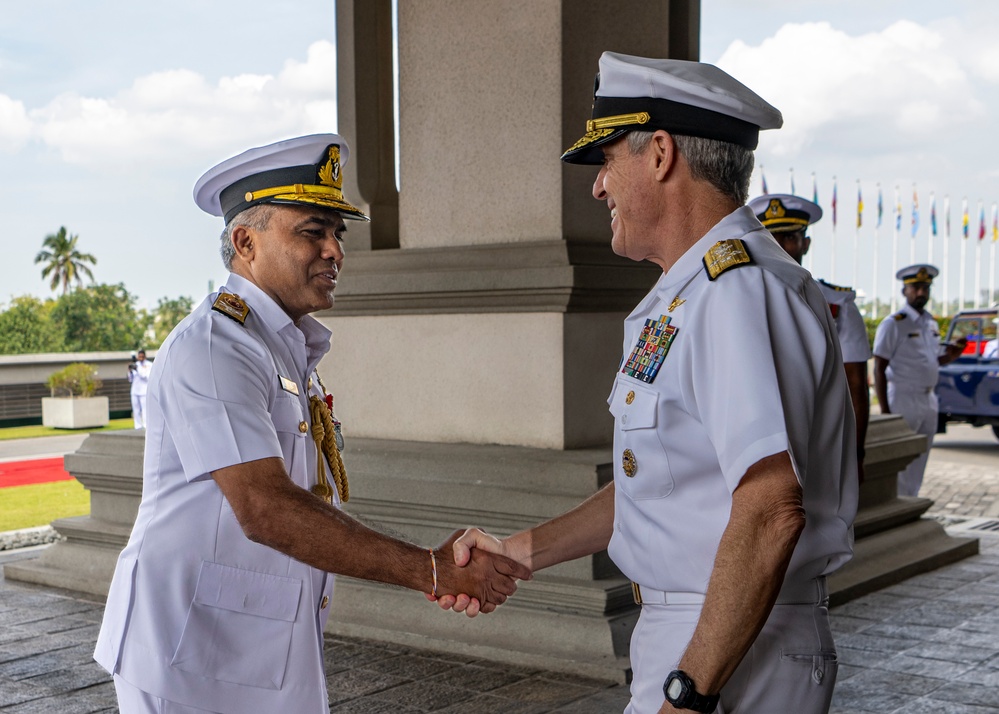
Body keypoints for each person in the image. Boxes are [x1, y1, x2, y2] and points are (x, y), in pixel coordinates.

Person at [435, 53, 858, 713]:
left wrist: (688, 696)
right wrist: (517, 552)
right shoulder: (685, 298)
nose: (597, 187)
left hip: (731, 648)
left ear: (659, 153)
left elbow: (771, 507)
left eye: (605, 161)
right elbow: (659, 480)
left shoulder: (735, 293)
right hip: (704, 633)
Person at [93, 134, 531, 714]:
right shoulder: (217, 346)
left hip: (252, 645)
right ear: (245, 242)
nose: (334, 252)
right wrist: (432, 570)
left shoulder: (281, 346)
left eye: (337, 234)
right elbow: (266, 507)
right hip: (190, 654)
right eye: (312, 232)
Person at [749, 194, 872, 481]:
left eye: (790, 237)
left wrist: (857, 453)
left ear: (806, 243)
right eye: (770, 236)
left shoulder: (837, 305)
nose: (779, 246)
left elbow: (855, 383)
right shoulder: (735, 296)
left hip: (818, 444)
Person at [872, 265, 965, 497]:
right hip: (903, 398)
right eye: (915, 288)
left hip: (929, 399)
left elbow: (929, 362)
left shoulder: (930, 324)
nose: (920, 292)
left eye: (925, 287)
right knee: (900, 457)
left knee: (920, 458)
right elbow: (879, 367)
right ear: (905, 291)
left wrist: (950, 357)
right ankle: (896, 503)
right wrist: (886, 410)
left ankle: (910, 502)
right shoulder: (894, 323)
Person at [126, 349, 152, 429]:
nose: (140, 358)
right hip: (135, 390)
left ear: (144, 356)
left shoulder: (149, 365)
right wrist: (130, 371)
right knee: (136, 409)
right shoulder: (135, 364)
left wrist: (137, 369)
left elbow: (146, 377)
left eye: (142, 356)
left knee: (144, 409)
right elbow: (130, 379)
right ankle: (137, 425)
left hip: (144, 391)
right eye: (139, 356)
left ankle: (145, 425)